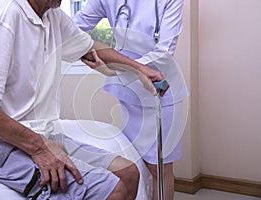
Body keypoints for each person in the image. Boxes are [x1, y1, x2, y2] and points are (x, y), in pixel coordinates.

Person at [0, 0, 166, 199]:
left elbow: (90, 47)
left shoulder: (52, 16)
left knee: (129, 173)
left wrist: (140, 69)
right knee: (115, 190)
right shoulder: (6, 13)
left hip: (39, 132)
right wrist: (39, 147)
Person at [73, 0, 189, 199]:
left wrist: (114, 63)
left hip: (160, 93)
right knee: (136, 162)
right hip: (129, 93)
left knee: (159, 169)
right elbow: (73, 27)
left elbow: (164, 53)